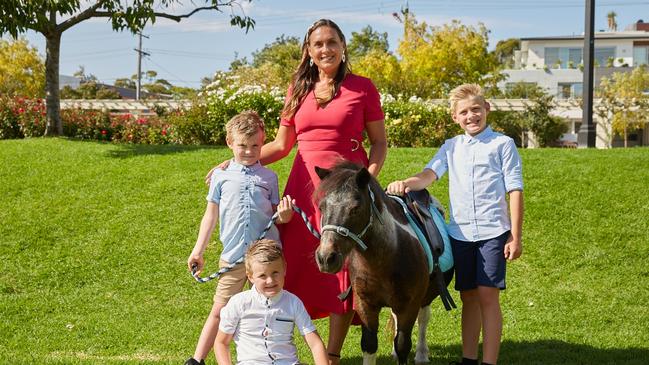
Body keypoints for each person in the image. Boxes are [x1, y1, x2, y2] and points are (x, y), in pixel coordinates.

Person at [207, 19, 387, 364]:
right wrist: (232, 164)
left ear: (342, 45)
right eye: (318, 44)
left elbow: (379, 143)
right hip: (302, 192)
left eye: (331, 42)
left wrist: (367, 181)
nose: (325, 49)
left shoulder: (362, 87)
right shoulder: (298, 88)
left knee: (341, 273)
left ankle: (331, 356)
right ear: (309, 50)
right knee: (294, 268)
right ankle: (275, 349)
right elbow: (282, 144)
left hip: (346, 195)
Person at [386, 84, 524, 365]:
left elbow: (515, 190)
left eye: (476, 109)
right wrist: (406, 183)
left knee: (487, 297)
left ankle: (489, 362)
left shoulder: (503, 144)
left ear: (487, 109)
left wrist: (515, 236)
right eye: (464, 112)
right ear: (455, 118)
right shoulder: (451, 147)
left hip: (493, 233)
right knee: (469, 297)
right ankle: (469, 359)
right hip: (460, 235)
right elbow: (428, 175)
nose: (471, 115)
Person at [185, 111, 295, 365]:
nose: (249, 151)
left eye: (255, 145)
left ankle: (273, 358)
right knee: (220, 310)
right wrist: (198, 251)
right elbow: (210, 216)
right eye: (242, 146)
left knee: (268, 310)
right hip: (233, 256)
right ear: (229, 144)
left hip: (266, 259)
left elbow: (276, 216)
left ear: (262, 142)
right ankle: (197, 360)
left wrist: (285, 216)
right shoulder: (220, 177)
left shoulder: (269, 178)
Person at [214, 239, 329, 365]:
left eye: (275, 273)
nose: (270, 281)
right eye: (262, 276)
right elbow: (221, 342)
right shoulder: (239, 303)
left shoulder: (293, 302)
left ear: (284, 269)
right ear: (250, 276)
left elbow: (315, 343)